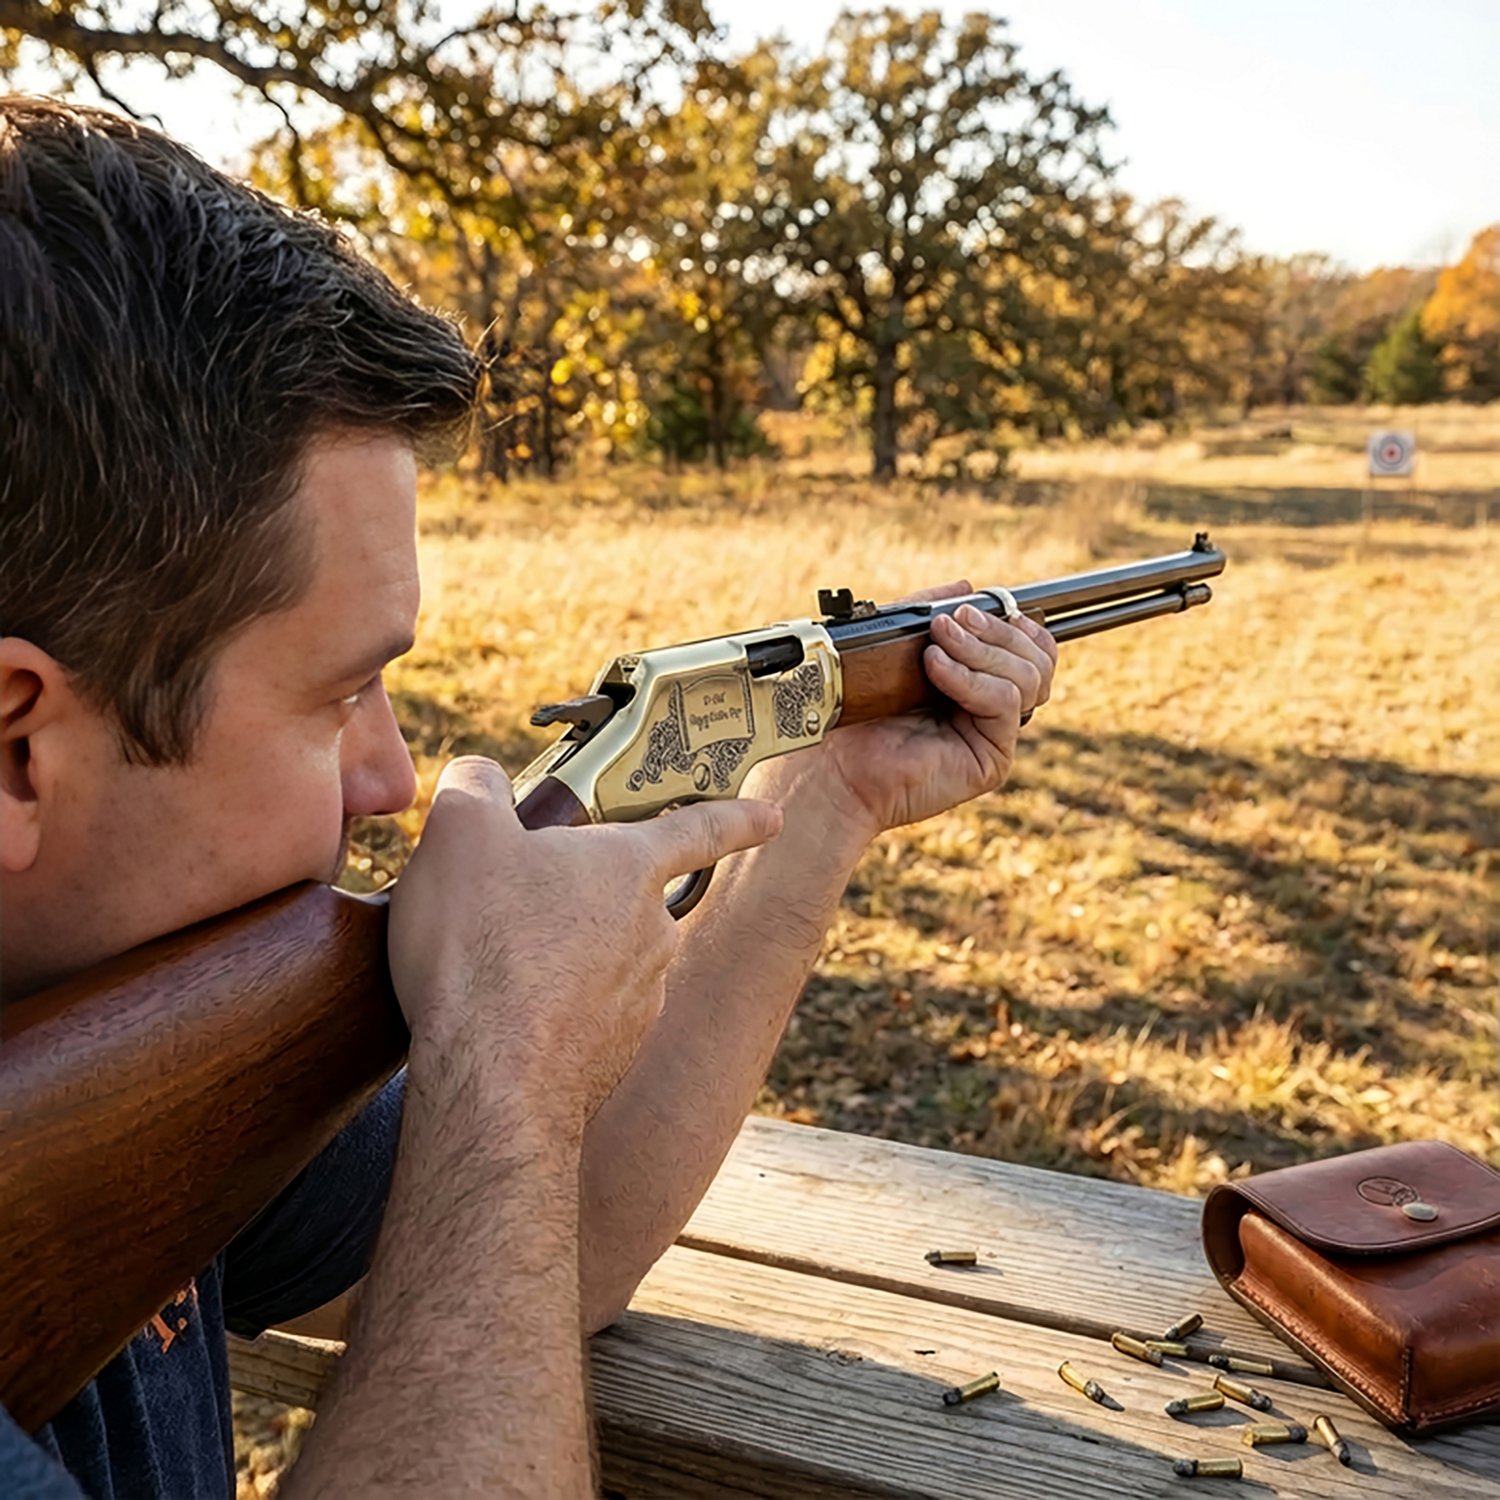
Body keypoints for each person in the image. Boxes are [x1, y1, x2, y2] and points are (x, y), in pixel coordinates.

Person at [0, 96, 1057, 1497]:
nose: (391, 775)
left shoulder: (94, 1048)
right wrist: (498, 1065)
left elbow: (561, 1254)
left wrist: (823, 798)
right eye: (334, 699)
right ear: (18, 750)